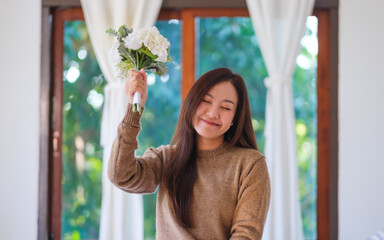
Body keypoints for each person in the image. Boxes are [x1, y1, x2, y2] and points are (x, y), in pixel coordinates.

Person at [108, 68, 271, 239]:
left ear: (235, 119)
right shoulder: (166, 158)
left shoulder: (250, 164)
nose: (213, 113)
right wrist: (135, 108)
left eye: (225, 107)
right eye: (206, 101)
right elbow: (121, 175)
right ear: (192, 102)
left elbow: (246, 234)